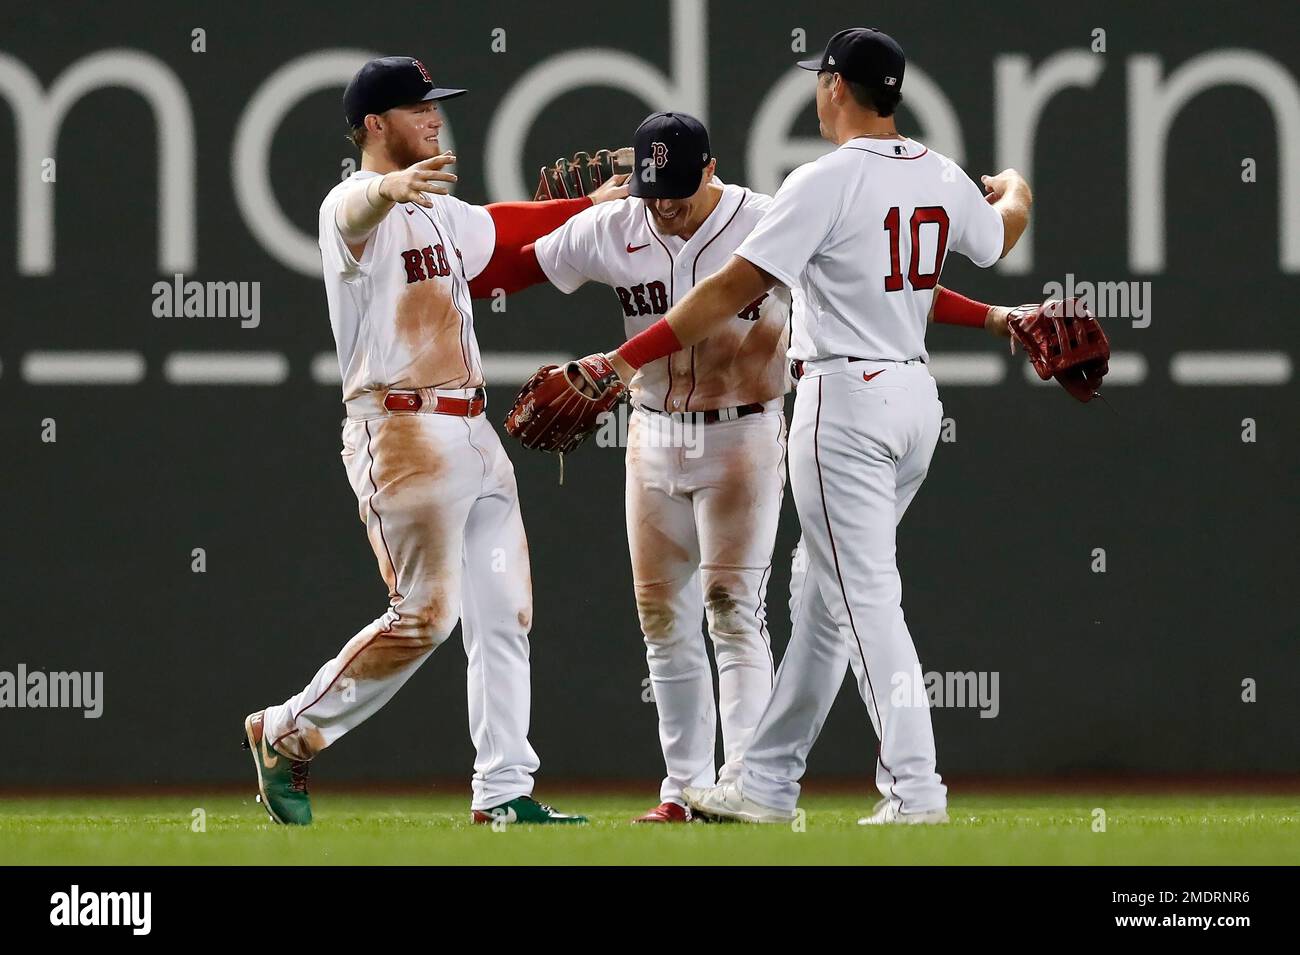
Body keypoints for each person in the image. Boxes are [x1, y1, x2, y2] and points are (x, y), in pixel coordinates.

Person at [589, 28, 1033, 824]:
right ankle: (764, 783)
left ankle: (915, 790)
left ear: (836, 86)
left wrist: (625, 359)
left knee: (864, 600)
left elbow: (733, 287)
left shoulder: (821, 180)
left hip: (845, 402)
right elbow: (999, 238)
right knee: (823, 600)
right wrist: (1017, 189)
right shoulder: (936, 172)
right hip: (914, 400)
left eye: (818, 81)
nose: (814, 93)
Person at [242, 55, 627, 826]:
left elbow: (505, 228)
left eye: (435, 106)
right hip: (401, 429)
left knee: (504, 611)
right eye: (418, 109)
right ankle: (286, 729)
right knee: (424, 613)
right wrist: (386, 186)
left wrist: (590, 206)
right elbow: (357, 206)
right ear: (375, 126)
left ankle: (504, 791)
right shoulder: (350, 206)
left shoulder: (440, 211)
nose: (435, 118)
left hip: (474, 431)